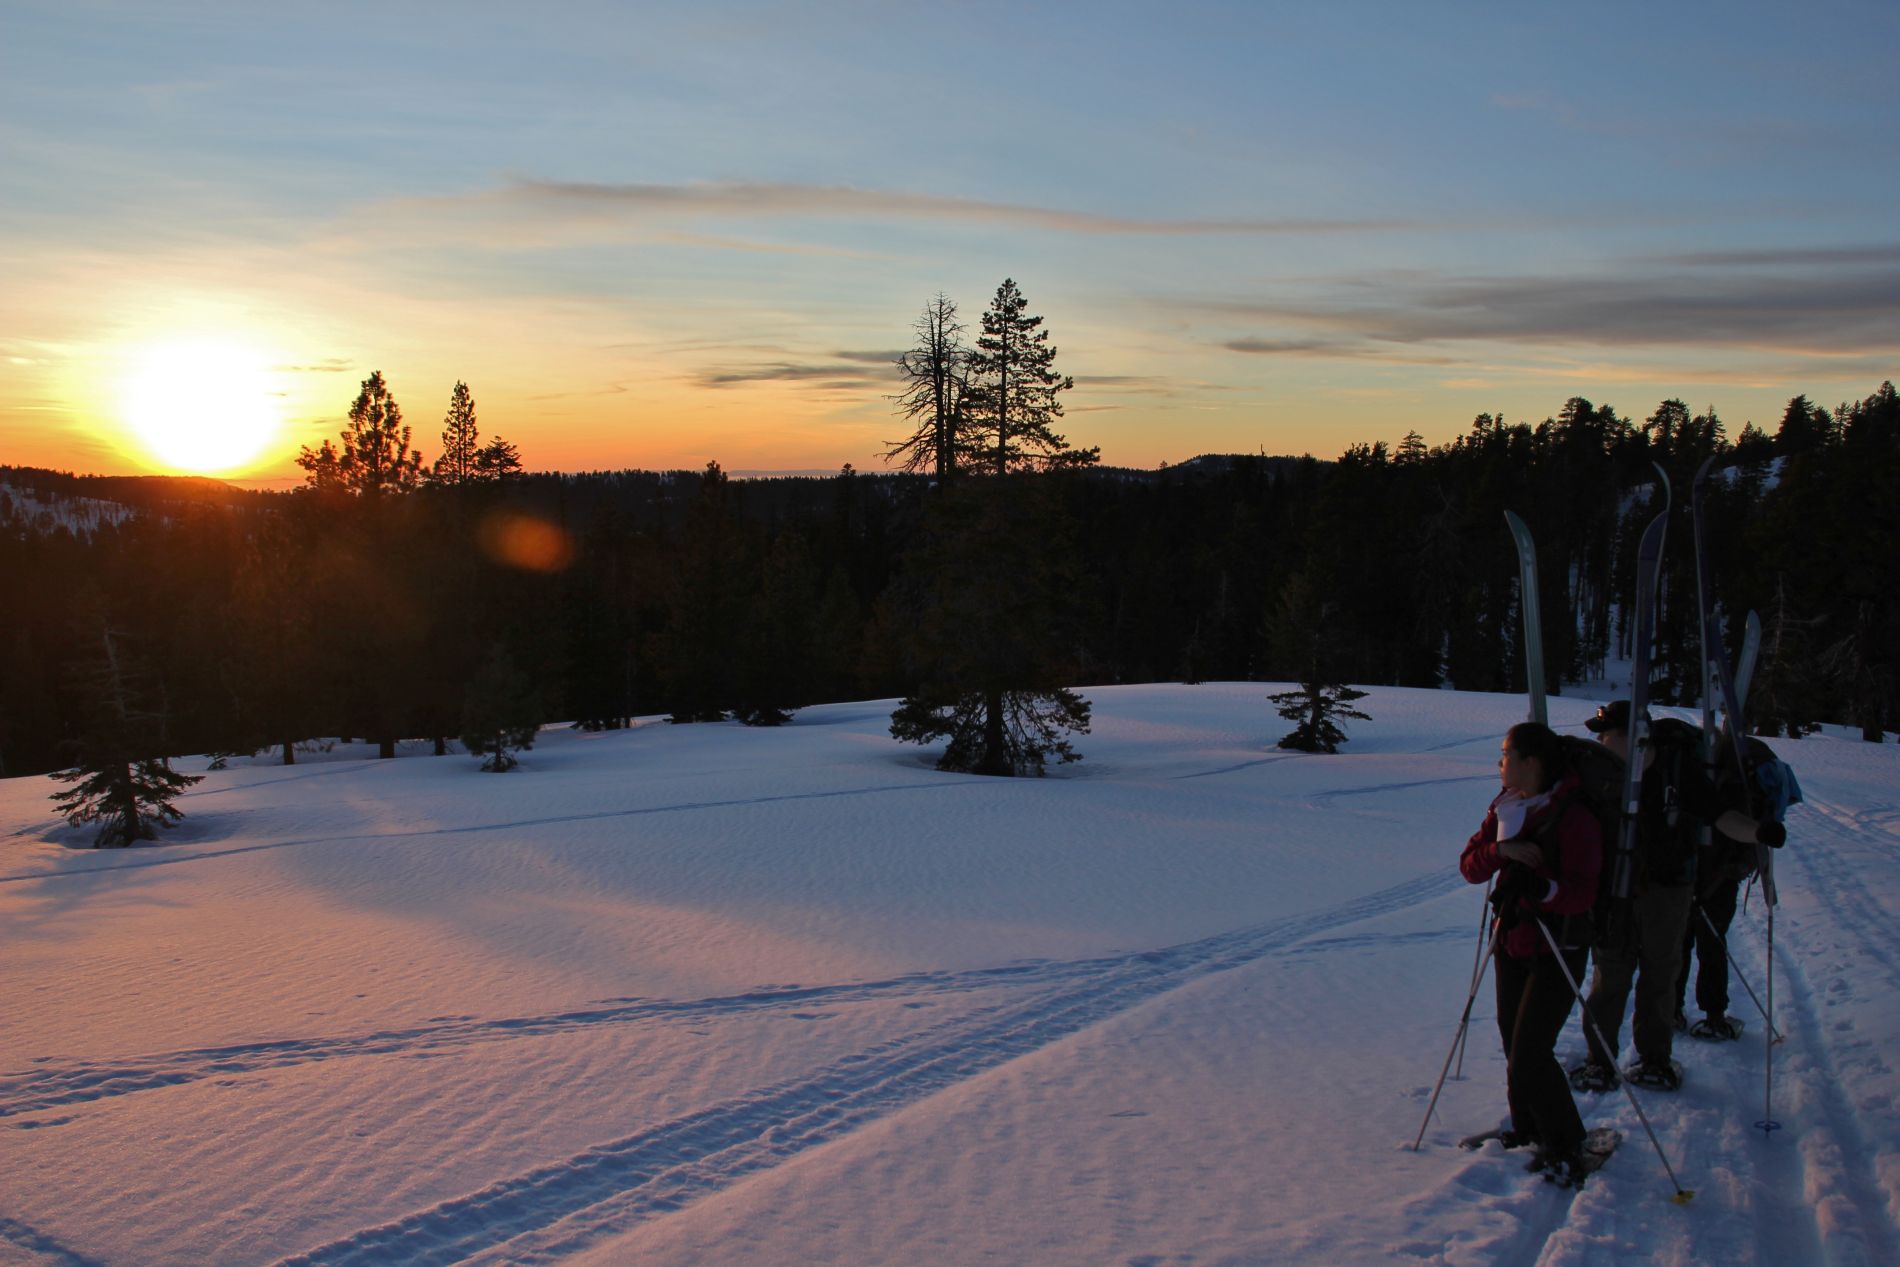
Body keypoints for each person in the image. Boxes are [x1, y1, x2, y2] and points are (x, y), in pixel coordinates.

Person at [1570, 701, 1784, 1091]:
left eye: (1607, 733)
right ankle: (1598, 1061)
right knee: (1609, 977)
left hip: (1667, 892)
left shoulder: (1676, 771)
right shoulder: (1600, 774)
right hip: (1614, 892)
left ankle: (1655, 1059)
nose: (1600, 741)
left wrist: (1758, 832)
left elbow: (1719, 815)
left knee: (1659, 975)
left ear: (1633, 736)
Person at [1460, 721, 1602, 1184]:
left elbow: (1582, 893)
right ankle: (1527, 1129)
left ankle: (1567, 1143)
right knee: (1512, 1042)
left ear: (1531, 762)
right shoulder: (1507, 807)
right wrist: (1503, 851)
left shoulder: (1574, 815)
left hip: (1560, 944)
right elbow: (1469, 866)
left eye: (1506, 753)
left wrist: (1541, 886)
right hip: (1514, 940)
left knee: (1530, 1052)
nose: (1500, 763)